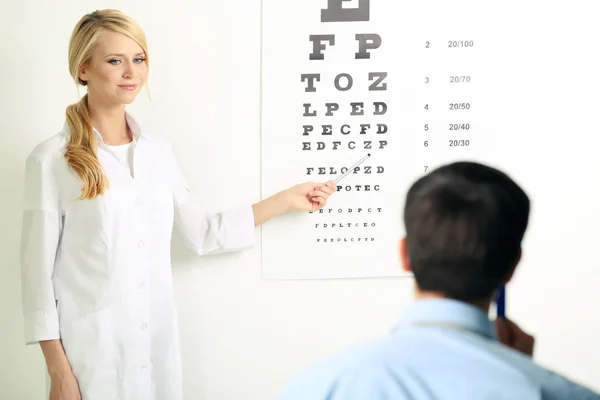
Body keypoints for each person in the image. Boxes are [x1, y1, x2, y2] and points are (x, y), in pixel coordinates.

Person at [19, 9, 336, 400]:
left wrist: (287, 199)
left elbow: (202, 233)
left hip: (155, 346)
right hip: (90, 358)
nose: (131, 72)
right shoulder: (50, 159)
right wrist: (59, 374)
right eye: (115, 61)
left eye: (139, 59)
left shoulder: (157, 152)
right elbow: (35, 279)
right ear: (83, 69)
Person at [276, 161, 600, 400]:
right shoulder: (555, 393)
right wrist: (517, 371)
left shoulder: (313, 388)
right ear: (512, 266)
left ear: (405, 254)